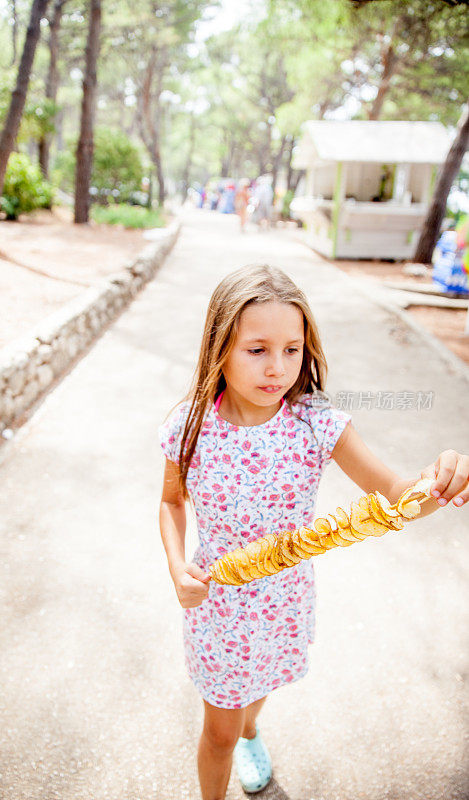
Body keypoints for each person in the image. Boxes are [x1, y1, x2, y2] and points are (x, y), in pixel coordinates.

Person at [158, 264, 468, 800]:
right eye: (257, 349)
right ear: (219, 348)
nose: (277, 368)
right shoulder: (190, 426)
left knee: (256, 698)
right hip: (219, 606)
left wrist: (438, 479)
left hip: (285, 601)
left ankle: (254, 728)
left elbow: (395, 493)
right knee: (218, 730)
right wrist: (176, 564)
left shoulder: (316, 422)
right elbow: (170, 501)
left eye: (292, 350)